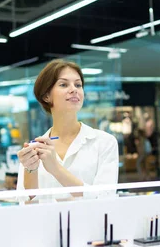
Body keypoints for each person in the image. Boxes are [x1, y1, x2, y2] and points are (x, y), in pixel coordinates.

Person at [16, 59, 118, 200]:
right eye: (64, 84)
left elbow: (105, 198)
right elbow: (26, 204)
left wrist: (56, 169)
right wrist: (30, 170)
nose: (74, 89)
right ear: (46, 95)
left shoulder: (104, 142)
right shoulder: (35, 149)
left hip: (91, 222)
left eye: (78, 84)